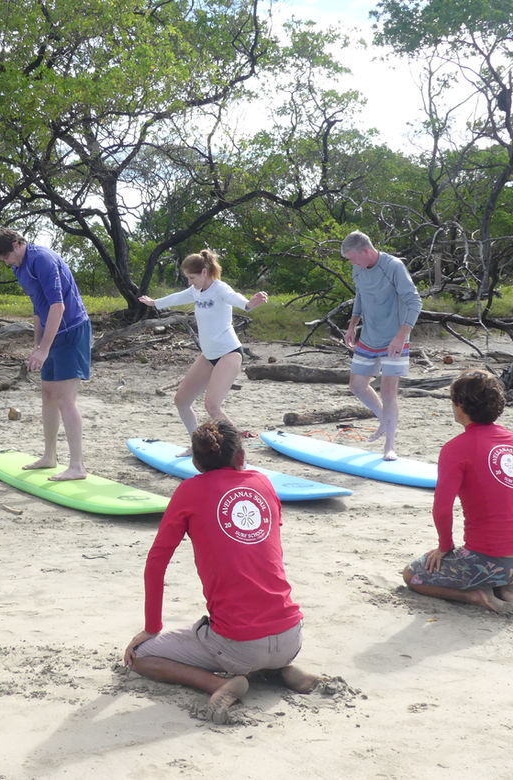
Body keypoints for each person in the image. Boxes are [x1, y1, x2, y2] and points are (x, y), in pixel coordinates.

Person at [124, 421, 317, 724]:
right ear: (241, 457)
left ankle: (220, 683)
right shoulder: (264, 484)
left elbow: (156, 563)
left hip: (239, 645)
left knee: (142, 657)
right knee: (252, 632)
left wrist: (151, 627)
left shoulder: (189, 491)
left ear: (196, 463)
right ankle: (278, 668)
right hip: (292, 635)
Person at [403, 370, 513, 612]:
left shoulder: (456, 449)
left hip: (487, 557)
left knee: (412, 575)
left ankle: (478, 597)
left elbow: (442, 509)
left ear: (460, 404)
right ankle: (505, 585)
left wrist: (445, 546)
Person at [0, 227, 91, 481]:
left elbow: (58, 305)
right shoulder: (19, 268)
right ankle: (49, 456)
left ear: (15, 245)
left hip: (71, 331)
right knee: (48, 396)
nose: (6, 262)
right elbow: (39, 308)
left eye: (5, 257)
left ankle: (77, 465)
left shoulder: (41, 259)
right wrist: (38, 345)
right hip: (51, 333)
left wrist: (44, 349)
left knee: (66, 399)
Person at [139, 249, 267, 449]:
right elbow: (176, 298)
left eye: (192, 277)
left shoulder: (220, 288)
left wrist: (249, 303)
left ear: (205, 272)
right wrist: (154, 302)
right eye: (188, 278)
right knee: (181, 400)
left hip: (229, 353)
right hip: (209, 355)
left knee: (212, 406)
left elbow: (237, 299)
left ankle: (237, 451)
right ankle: (197, 447)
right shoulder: (195, 290)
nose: (190, 282)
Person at [341, 231, 422, 461]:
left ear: (366, 251)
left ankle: (389, 445)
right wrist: (352, 325)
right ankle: (384, 421)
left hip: (394, 337)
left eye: (353, 258)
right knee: (357, 385)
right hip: (369, 335)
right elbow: (360, 295)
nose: (352, 263)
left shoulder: (393, 266)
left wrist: (401, 336)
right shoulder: (358, 268)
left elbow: (415, 301)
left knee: (388, 391)